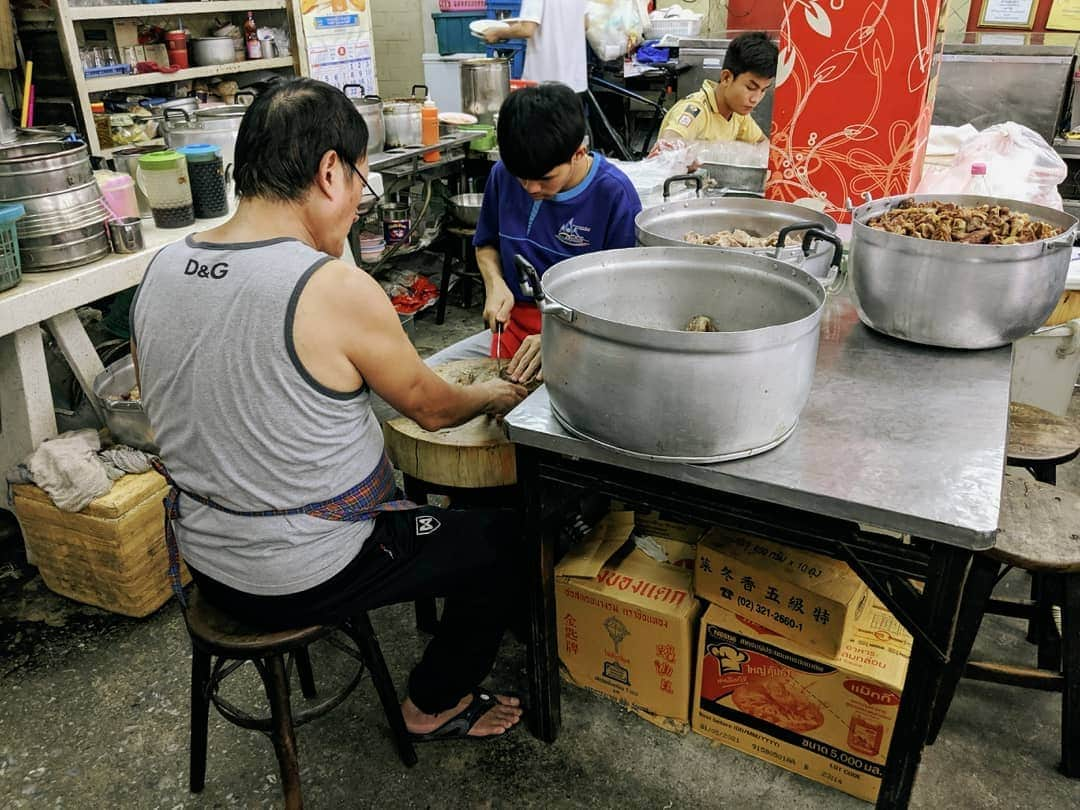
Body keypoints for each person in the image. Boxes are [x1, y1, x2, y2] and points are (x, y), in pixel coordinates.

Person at [130, 79, 528, 742]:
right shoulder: (333, 286)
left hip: (208, 562)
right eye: (361, 188)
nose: (356, 213)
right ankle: (434, 704)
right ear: (329, 171)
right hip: (303, 570)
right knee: (505, 541)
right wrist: (491, 393)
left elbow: (170, 401)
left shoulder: (162, 269)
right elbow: (431, 409)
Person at [426, 82, 642, 384]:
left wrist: (562, 337)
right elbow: (485, 245)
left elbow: (625, 299)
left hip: (584, 338)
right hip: (512, 330)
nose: (530, 189)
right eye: (521, 178)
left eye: (544, 179)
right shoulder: (504, 175)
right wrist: (495, 284)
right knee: (428, 382)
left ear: (578, 152)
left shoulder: (614, 195)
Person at [652, 31, 778, 151]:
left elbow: (762, 144)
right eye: (750, 88)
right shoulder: (696, 109)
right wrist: (680, 154)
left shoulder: (738, 114)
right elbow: (670, 139)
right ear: (726, 78)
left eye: (763, 90)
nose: (755, 99)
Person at [484, 1, 589, 94]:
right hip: (574, 82)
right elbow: (585, 24)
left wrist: (497, 33)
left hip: (545, 83)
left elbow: (527, 29)